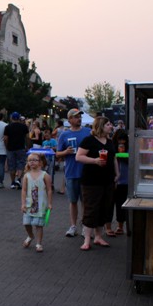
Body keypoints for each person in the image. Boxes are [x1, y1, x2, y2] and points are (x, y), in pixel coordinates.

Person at [76, 116, 117, 251]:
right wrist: (95, 161)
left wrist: (117, 173)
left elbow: (114, 157)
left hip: (108, 180)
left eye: (110, 124)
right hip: (91, 181)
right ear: (101, 126)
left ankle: (99, 236)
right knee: (91, 208)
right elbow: (79, 156)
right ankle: (87, 239)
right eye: (108, 124)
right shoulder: (89, 140)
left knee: (104, 208)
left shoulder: (110, 141)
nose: (111, 126)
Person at [57, 108, 91, 237]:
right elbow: (57, 153)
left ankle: (85, 226)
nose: (79, 119)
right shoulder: (64, 135)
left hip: (87, 172)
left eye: (80, 116)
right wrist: (65, 152)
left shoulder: (88, 132)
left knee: (85, 201)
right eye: (76, 117)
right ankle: (73, 226)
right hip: (71, 172)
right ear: (70, 119)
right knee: (73, 201)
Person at [20, 151, 53, 253]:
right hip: (29, 204)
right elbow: (24, 190)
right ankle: (30, 236)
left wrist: (50, 203)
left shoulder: (45, 175)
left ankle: (38, 243)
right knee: (26, 223)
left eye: (34, 160)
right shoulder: (26, 175)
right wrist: (23, 203)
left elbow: (49, 190)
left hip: (41, 205)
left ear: (40, 162)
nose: (32, 162)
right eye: (30, 160)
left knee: (39, 225)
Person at [108, 128, 129, 236]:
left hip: (125, 181)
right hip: (113, 180)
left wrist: (122, 154)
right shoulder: (111, 147)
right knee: (109, 204)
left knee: (121, 205)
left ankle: (120, 226)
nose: (121, 142)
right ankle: (108, 227)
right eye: (119, 140)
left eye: (123, 140)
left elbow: (132, 159)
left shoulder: (129, 149)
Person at [4, 112, 29, 189]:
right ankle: (18, 179)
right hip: (21, 147)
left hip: (10, 148)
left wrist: (6, 146)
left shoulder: (7, 127)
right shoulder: (24, 127)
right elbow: (27, 137)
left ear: (11, 118)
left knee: (12, 165)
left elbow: (5, 138)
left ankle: (12, 182)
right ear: (19, 118)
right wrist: (27, 146)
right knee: (21, 164)